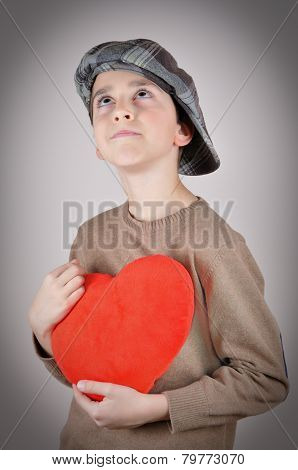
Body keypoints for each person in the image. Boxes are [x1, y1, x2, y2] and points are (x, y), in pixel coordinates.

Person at [28, 38, 289, 450]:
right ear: (97, 143)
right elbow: (84, 373)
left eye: (143, 94)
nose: (122, 110)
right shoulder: (90, 236)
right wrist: (43, 332)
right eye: (104, 102)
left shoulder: (216, 243)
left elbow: (266, 379)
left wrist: (157, 407)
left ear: (182, 130)